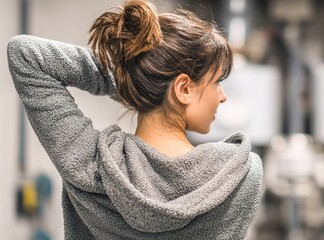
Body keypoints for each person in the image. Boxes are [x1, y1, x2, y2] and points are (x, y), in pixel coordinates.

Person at [7, 0, 263, 239]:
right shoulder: (238, 177)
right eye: (217, 82)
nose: (223, 96)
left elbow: (26, 55)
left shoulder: (90, 166)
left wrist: (137, 80)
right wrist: (143, 83)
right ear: (183, 89)